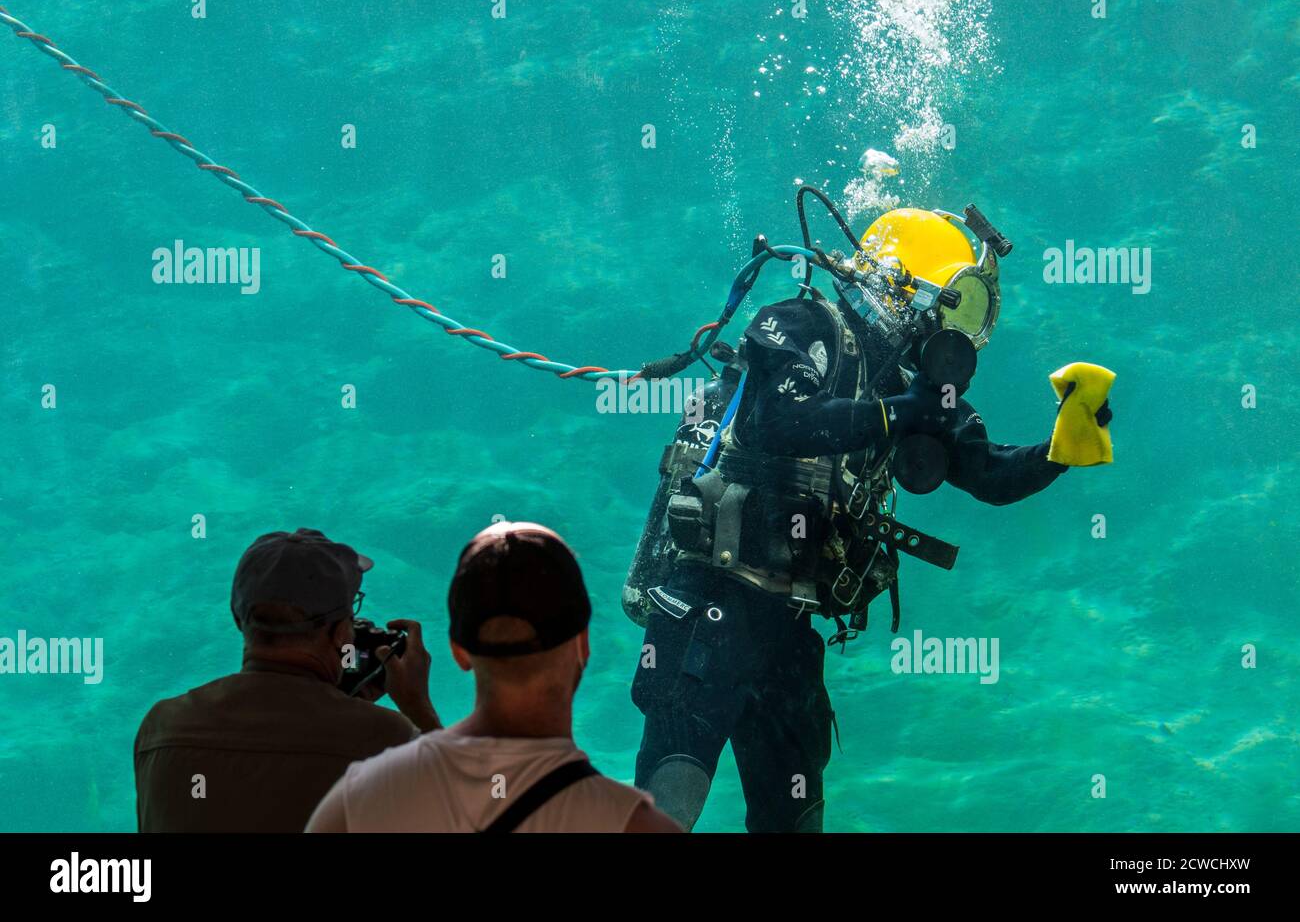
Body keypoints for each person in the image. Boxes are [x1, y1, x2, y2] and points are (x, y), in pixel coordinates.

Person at [625, 204, 1115, 832]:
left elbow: (989, 474)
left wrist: (1059, 450)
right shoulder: (803, 324)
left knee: (796, 822)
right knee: (667, 807)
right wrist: (894, 413)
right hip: (708, 607)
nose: (950, 332)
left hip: (790, 634)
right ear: (903, 286)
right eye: (950, 306)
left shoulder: (913, 391)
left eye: (966, 318)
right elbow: (772, 420)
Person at [307, 521, 680, 833]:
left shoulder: (357, 802)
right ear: (583, 646)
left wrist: (417, 708)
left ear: (458, 651)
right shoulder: (636, 824)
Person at [134, 528, 441, 832]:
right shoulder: (390, 745)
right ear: (340, 633)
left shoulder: (159, 729)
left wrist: (342, 709)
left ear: (238, 618)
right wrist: (418, 708)